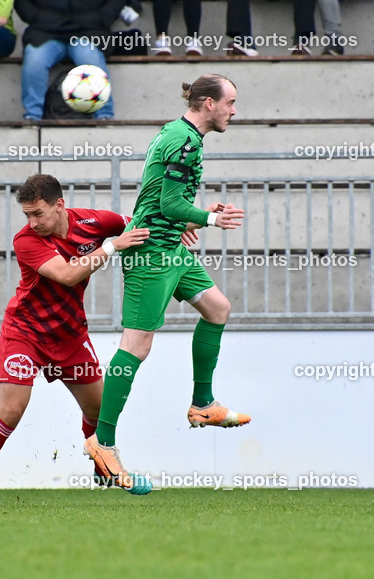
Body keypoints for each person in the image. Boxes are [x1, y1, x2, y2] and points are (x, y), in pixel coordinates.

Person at [84, 74, 250, 490]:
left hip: (169, 246)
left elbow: (164, 199)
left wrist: (186, 219)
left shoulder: (179, 133)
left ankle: (202, 403)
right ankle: (103, 442)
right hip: (150, 255)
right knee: (137, 344)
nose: (235, 110)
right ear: (209, 103)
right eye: (231, 102)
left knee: (218, 308)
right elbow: (167, 202)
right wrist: (210, 218)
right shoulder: (184, 141)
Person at [0, 174, 152, 510]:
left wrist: (193, 219)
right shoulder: (25, 241)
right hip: (25, 333)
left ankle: (104, 468)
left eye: (38, 214)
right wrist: (112, 245)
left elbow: (139, 223)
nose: (32, 222)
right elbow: (69, 274)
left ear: (60, 205)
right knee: (11, 410)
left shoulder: (94, 221)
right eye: (27, 215)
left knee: (100, 410)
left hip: (69, 335)